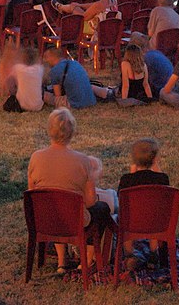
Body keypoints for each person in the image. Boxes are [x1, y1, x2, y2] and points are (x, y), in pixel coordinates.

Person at [27, 108, 114, 274]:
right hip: (74, 220)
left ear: (49, 130)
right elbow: (90, 202)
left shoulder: (35, 157)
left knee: (54, 203)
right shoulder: (82, 160)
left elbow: (32, 193)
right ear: (72, 131)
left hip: (44, 218)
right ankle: (87, 260)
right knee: (101, 209)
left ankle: (62, 262)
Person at [117, 138, 170, 270]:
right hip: (157, 224)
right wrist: (156, 166)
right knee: (154, 212)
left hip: (131, 224)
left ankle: (129, 255)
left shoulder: (126, 180)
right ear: (154, 159)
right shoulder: (162, 179)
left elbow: (121, 201)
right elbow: (165, 192)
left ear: (134, 160)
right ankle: (153, 252)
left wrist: (132, 173)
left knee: (125, 217)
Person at [43, 47, 112, 108]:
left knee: (45, 95)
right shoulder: (75, 63)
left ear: (52, 57)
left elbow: (57, 96)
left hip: (75, 104)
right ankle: (107, 92)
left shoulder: (55, 70)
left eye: (46, 57)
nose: (45, 60)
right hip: (91, 101)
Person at [52, 0, 118, 37]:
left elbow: (84, 17)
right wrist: (80, 5)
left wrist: (75, 7)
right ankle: (61, 7)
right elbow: (94, 5)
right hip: (111, 28)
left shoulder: (97, 5)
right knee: (75, 6)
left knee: (73, 7)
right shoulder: (114, 1)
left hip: (95, 29)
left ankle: (60, 7)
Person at [128, 33, 173, 98]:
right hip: (172, 86)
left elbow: (141, 82)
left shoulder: (146, 59)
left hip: (162, 89)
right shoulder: (155, 53)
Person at [2, 47, 44, 112]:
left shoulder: (18, 68)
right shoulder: (40, 69)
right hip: (38, 106)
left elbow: (8, 81)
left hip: (22, 106)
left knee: (11, 81)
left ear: (23, 58)